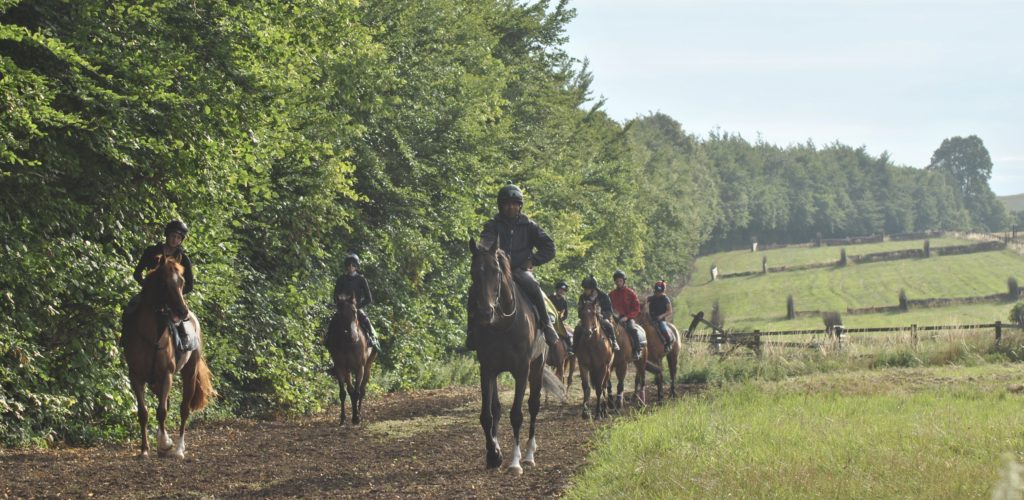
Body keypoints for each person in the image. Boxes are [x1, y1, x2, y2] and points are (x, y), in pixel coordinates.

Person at [466, 182, 559, 351]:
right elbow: (486, 241)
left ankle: (547, 325)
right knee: (474, 290)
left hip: (519, 270)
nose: (511, 207)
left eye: (514, 204)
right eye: (507, 204)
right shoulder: (493, 224)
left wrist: (533, 261)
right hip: (497, 269)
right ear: (501, 206)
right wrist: (485, 250)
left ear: (520, 206)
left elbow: (550, 248)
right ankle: (471, 331)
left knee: (533, 286)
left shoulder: (529, 226)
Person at [123, 220, 195, 347]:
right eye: (173, 236)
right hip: (151, 294)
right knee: (130, 308)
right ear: (167, 235)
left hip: (173, 297)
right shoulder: (152, 251)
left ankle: (185, 342)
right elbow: (137, 273)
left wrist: (175, 292)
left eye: (178, 238)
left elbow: (190, 285)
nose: (175, 240)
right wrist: (146, 285)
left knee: (183, 316)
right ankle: (125, 337)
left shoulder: (183, 258)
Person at [333, 253, 380, 353]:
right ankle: (328, 339)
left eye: (353, 265)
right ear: (346, 266)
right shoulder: (341, 279)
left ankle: (372, 339)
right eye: (349, 265)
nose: (351, 267)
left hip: (357, 307)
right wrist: (340, 301)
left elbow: (369, 298)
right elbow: (335, 295)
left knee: (365, 320)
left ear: (356, 266)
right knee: (333, 321)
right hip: (343, 307)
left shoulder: (361, 279)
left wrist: (356, 306)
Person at [576, 275, 619, 353]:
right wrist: (583, 315)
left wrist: (602, 315)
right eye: (584, 289)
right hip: (587, 319)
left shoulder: (603, 296)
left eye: (587, 289)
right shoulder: (582, 297)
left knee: (609, 325)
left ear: (593, 289)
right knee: (577, 327)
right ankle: (574, 348)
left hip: (602, 317)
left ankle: (614, 342)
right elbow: (579, 310)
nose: (585, 291)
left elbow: (609, 311)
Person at [609, 270, 644, 360]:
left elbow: (637, 309)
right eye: (616, 281)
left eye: (620, 281)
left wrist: (627, 317)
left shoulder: (630, 293)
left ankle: (637, 350)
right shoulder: (611, 294)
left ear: (624, 281)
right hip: (614, 318)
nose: (618, 283)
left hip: (628, 318)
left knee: (632, 329)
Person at [647, 280, 674, 349]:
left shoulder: (665, 299)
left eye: (659, 292)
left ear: (663, 291)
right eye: (656, 291)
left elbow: (669, 311)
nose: (657, 293)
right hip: (650, 318)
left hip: (660, 320)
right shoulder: (651, 298)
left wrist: (661, 316)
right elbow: (644, 302)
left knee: (663, 328)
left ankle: (668, 343)